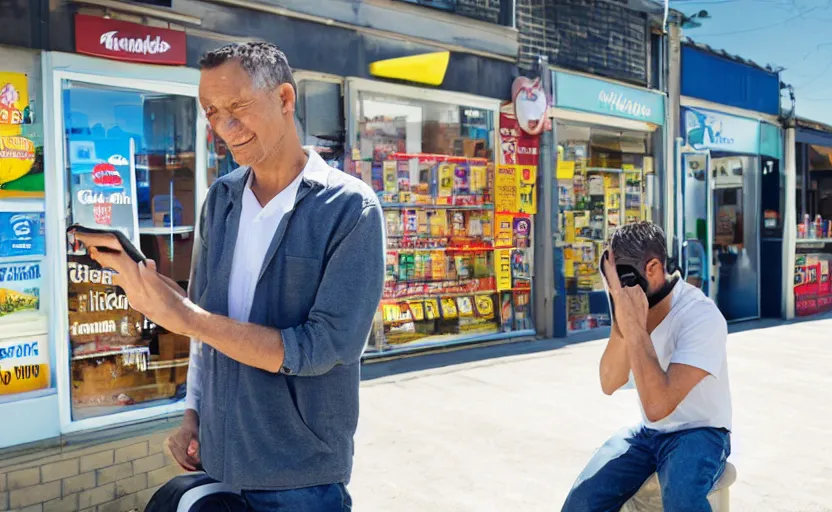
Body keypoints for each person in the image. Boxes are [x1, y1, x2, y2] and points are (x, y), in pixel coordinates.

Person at [74, 41, 385, 511]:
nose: (223, 127)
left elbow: (323, 348)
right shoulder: (221, 199)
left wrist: (188, 318)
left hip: (301, 478)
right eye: (211, 111)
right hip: (217, 462)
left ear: (284, 99)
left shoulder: (350, 209)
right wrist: (193, 414)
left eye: (237, 107)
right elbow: (208, 324)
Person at [562, 222, 732, 512]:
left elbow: (657, 404)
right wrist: (621, 320)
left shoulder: (701, 316)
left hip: (701, 431)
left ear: (652, 268)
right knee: (581, 502)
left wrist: (635, 327)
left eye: (622, 278)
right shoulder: (629, 307)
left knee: (681, 501)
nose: (617, 289)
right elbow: (610, 382)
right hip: (649, 433)